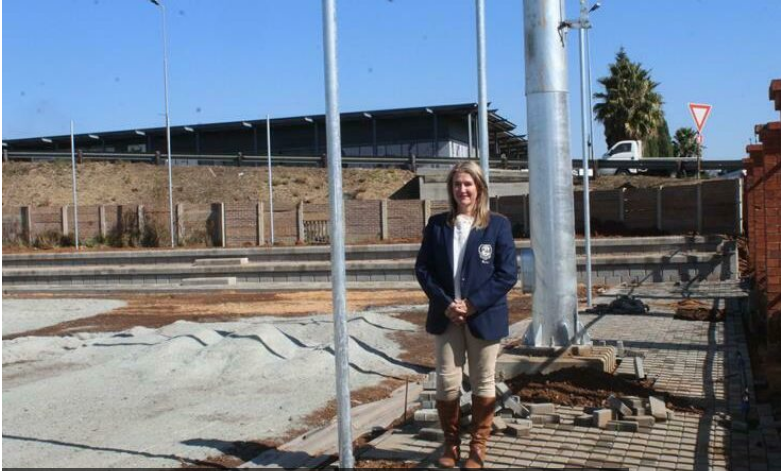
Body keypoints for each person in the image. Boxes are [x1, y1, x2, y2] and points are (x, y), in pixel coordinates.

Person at [415, 161, 518, 469]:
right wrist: (447, 303)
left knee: (483, 380)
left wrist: (472, 304)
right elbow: (423, 269)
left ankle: (478, 446)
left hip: (483, 315)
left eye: (468, 184)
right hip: (446, 315)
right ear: (451, 189)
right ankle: (450, 444)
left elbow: (507, 274)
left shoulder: (498, 225)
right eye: (457, 184)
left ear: (479, 188)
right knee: (447, 381)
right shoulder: (436, 225)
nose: (462, 189)